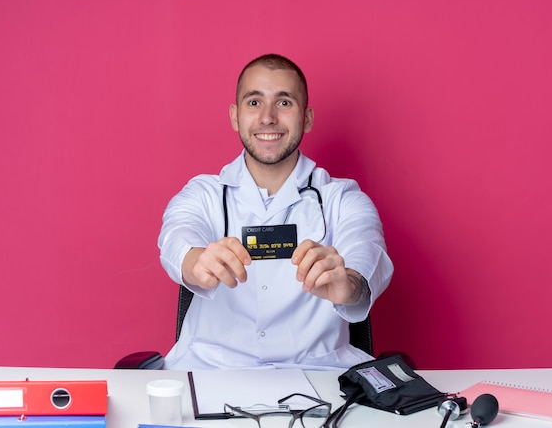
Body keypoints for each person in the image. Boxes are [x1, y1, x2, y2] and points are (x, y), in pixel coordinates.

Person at [158, 54, 393, 370]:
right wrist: (195, 262)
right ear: (235, 116)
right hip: (210, 371)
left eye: (284, 103)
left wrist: (348, 285)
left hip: (320, 375)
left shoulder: (343, 198)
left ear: (307, 118)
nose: (267, 118)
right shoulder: (202, 194)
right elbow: (176, 236)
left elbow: (367, 250)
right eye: (254, 103)